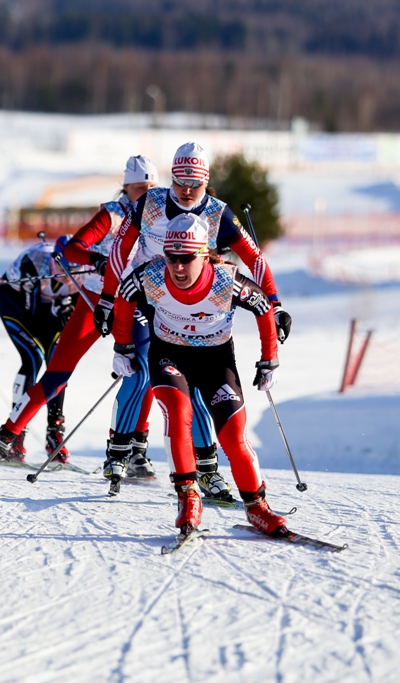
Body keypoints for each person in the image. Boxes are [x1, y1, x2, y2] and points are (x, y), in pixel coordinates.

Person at [94, 141, 290, 502]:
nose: (185, 190)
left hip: (195, 301)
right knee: (137, 373)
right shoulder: (149, 203)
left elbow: (255, 260)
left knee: (198, 389)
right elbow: (121, 250)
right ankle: (121, 451)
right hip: (148, 294)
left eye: (194, 183)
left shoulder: (219, 214)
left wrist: (274, 305)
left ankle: (207, 469)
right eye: (179, 180)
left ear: (207, 181)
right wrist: (110, 298)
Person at [0, 155, 157, 475]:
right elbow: (72, 250)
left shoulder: (161, 214)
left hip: (134, 303)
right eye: (140, 187)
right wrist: (99, 261)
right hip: (97, 299)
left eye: (152, 187)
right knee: (57, 375)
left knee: (147, 370)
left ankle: (134, 450)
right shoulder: (114, 214)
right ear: (125, 188)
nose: (147, 193)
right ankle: (3, 441)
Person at [111, 213, 287, 537]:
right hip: (169, 357)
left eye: (186, 259)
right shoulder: (151, 276)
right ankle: (188, 497)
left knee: (233, 436)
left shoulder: (226, 280)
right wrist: (122, 345)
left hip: (215, 360)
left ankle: (258, 508)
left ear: (204, 256)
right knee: (179, 415)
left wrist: (269, 359)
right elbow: (123, 296)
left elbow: (264, 308)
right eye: (171, 257)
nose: (177, 267)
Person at [0, 236, 81, 460]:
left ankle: (54, 432)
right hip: (15, 305)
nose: (69, 274)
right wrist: (58, 309)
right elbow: (34, 316)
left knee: (57, 364)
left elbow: (79, 303)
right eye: (64, 268)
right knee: (32, 357)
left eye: (74, 269)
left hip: (47, 309)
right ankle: (15, 435)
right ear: (56, 259)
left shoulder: (85, 269)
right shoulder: (36, 264)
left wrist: (68, 309)